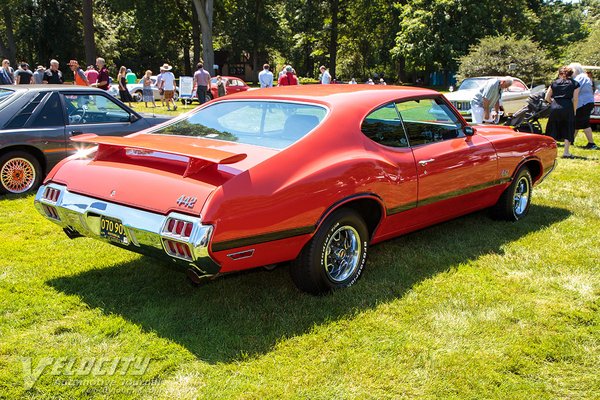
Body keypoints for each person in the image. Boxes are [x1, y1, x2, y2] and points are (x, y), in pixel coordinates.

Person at [545, 66, 580, 158]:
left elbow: (547, 97)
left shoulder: (554, 83)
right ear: (571, 74)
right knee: (568, 128)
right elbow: (575, 99)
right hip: (567, 106)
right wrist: (574, 110)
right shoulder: (575, 84)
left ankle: (550, 151)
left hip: (555, 106)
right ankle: (566, 152)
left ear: (560, 73)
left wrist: (553, 102)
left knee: (553, 127)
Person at [569, 63, 597, 150]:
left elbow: (575, 89)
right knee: (576, 122)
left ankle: (591, 143)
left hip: (583, 103)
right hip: (587, 102)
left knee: (584, 123)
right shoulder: (584, 77)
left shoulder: (579, 78)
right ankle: (571, 140)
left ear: (575, 70)